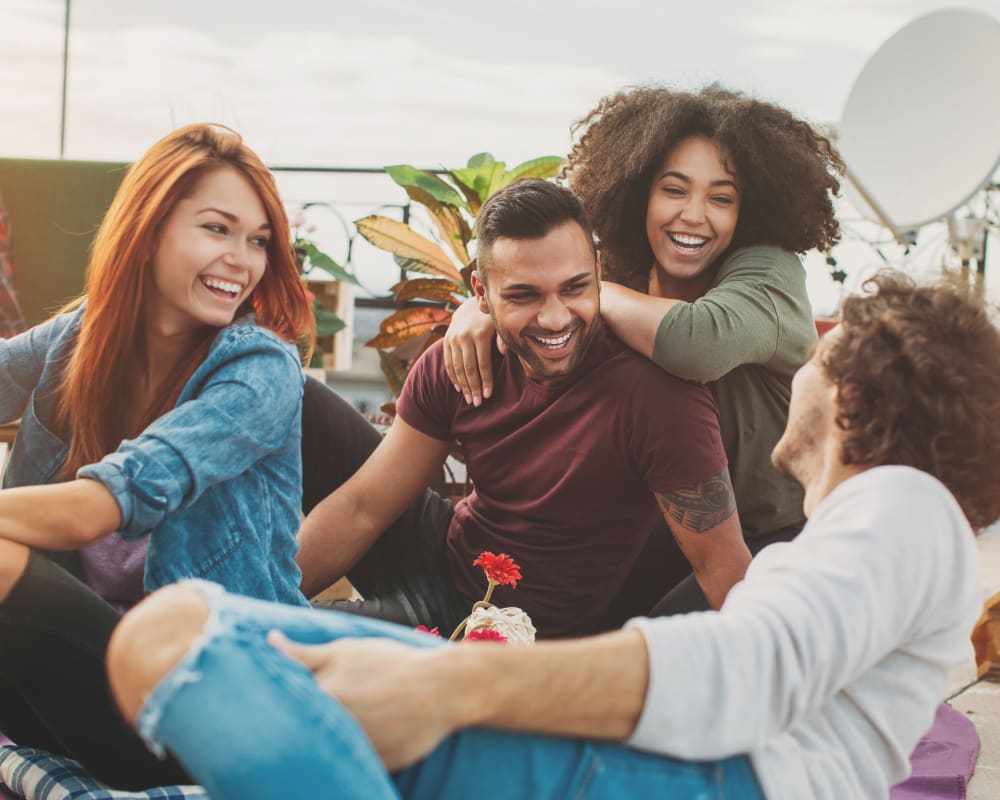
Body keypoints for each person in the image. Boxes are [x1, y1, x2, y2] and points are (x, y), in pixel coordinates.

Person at [109, 270, 1000, 799]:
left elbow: (750, 670)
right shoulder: (871, 529)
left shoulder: (905, 504)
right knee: (172, 631)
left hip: (705, 779)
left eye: (819, 352)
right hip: (659, 760)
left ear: (854, 388)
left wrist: (456, 683)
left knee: (182, 650)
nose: (799, 365)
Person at [443, 84, 843, 618]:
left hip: (775, 536)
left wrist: (559, 293)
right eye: (674, 190)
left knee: (650, 654)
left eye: (721, 197)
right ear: (640, 192)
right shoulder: (628, 270)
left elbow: (695, 343)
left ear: (747, 210)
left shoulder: (770, 274)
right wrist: (482, 306)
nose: (694, 215)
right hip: (660, 529)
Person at [295, 178, 749, 639]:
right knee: (292, 395)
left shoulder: (657, 396)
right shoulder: (464, 360)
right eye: (523, 295)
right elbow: (364, 507)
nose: (555, 318)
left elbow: (722, 569)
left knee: (294, 643)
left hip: (505, 631)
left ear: (598, 270)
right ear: (481, 292)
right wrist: (260, 599)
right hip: (444, 549)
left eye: (574, 288)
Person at [0, 123, 314, 788]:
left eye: (258, 240)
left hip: (204, 699)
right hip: (68, 687)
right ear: (146, 230)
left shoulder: (259, 373)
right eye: (217, 228)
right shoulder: (83, 336)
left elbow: (97, 509)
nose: (243, 258)